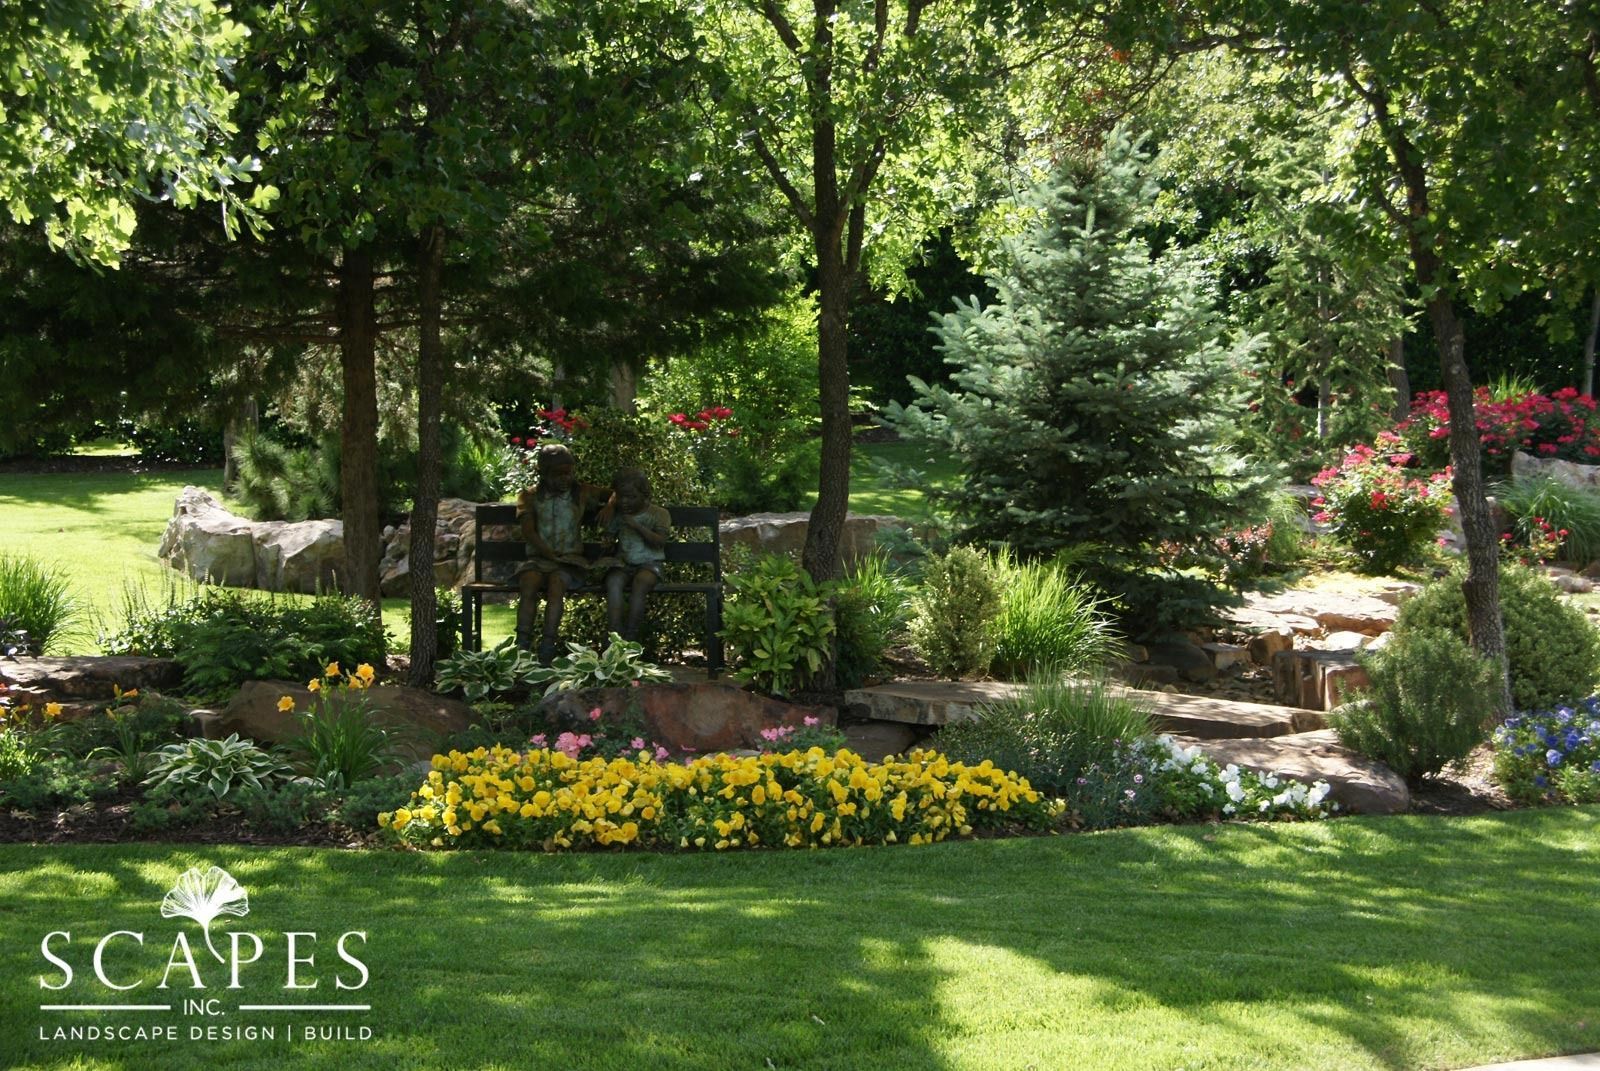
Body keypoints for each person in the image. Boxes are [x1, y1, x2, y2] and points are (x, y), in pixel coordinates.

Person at [514, 444, 608, 662]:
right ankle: (521, 647)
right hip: (539, 558)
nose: (565, 478)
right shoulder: (529, 496)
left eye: (569, 472)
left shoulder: (581, 492)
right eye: (558, 474)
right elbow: (528, 531)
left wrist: (610, 506)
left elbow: (614, 495)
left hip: (568, 561)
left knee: (557, 586)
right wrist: (548, 553)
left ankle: (548, 646)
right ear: (543, 473)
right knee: (528, 583)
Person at [597, 467, 671, 642]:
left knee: (640, 583)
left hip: (650, 564)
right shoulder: (618, 515)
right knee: (613, 582)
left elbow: (660, 542)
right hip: (623, 564)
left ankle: (631, 637)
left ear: (644, 495)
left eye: (631, 497)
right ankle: (615, 636)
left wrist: (636, 526)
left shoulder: (658, 514)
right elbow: (610, 536)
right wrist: (607, 543)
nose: (625, 502)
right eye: (621, 497)